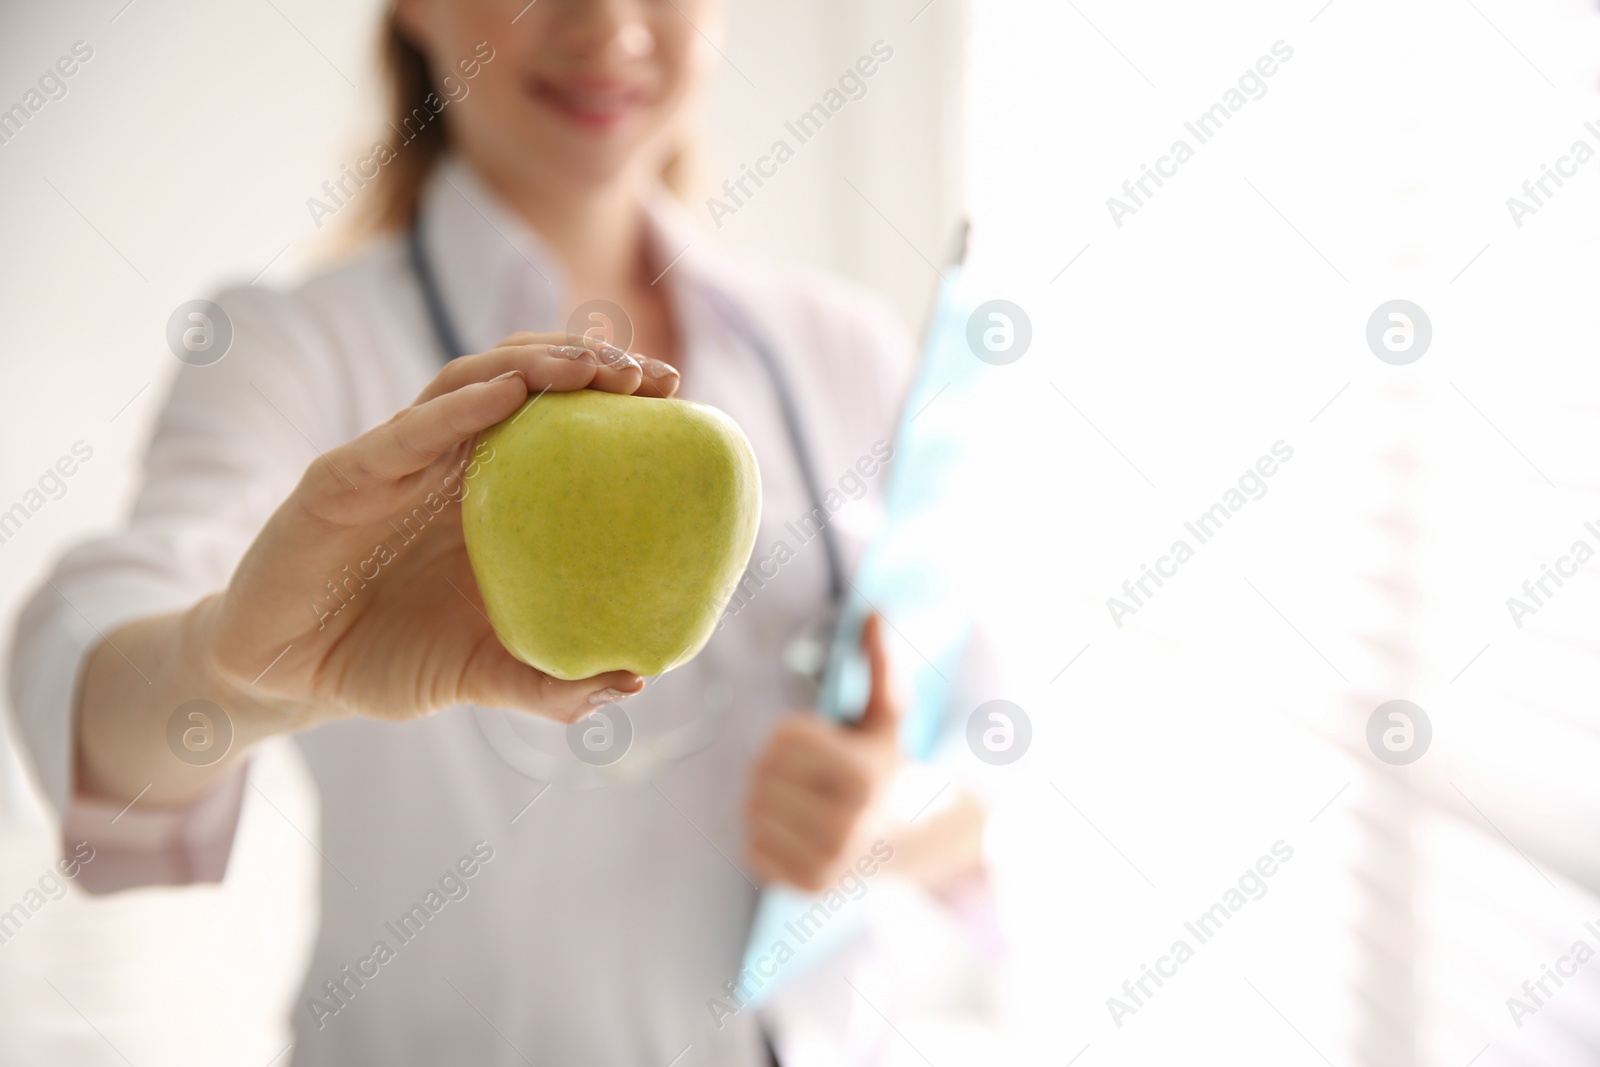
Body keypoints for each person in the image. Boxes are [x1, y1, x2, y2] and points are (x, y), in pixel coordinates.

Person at [8, 1, 988, 1063]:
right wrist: (235, 666)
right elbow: (89, 695)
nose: (605, 24)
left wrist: (881, 818)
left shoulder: (840, 348)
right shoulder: (290, 350)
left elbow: (980, 756)